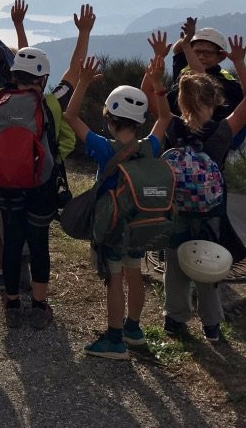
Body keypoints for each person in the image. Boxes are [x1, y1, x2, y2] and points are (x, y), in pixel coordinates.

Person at [0, 2, 80, 330]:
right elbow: (74, 73)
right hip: (41, 185)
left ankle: (11, 305)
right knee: (38, 243)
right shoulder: (51, 102)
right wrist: (84, 33)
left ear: (12, 74)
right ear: (44, 78)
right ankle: (38, 306)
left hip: (6, 185)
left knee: (12, 242)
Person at [63, 50, 172, 359]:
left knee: (114, 279)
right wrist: (157, 83)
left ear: (109, 120)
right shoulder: (149, 146)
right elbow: (165, 117)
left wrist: (83, 82)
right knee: (134, 273)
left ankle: (114, 340)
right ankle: (133, 330)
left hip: (112, 226)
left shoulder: (103, 147)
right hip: (140, 223)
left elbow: (70, 117)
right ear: (140, 120)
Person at [162, 34, 246, 343]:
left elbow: (152, 95)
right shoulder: (222, 132)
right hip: (210, 212)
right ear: (216, 101)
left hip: (177, 210)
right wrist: (239, 62)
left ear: (180, 101)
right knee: (209, 260)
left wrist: (157, 61)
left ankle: (175, 318)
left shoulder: (171, 126)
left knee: (175, 265)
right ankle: (212, 324)